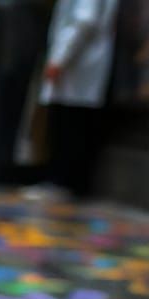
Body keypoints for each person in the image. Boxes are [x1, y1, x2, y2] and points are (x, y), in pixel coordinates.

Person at [39, 0, 120, 197]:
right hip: (82, 63)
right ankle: (65, 182)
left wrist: (60, 58)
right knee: (71, 120)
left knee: (71, 123)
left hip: (81, 61)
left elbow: (85, 19)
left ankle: (63, 183)